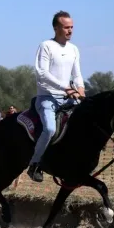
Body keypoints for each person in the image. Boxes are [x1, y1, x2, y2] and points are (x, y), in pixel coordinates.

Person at [27, 10, 85, 183]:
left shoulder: (74, 49)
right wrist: (66, 88)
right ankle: (34, 165)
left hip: (68, 97)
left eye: (72, 27)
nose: (70, 31)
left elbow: (77, 74)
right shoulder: (46, 46)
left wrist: (81, 88)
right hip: (47, 98)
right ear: (56, 28)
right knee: (50, 129)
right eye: (66, 27)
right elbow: (42, 74)